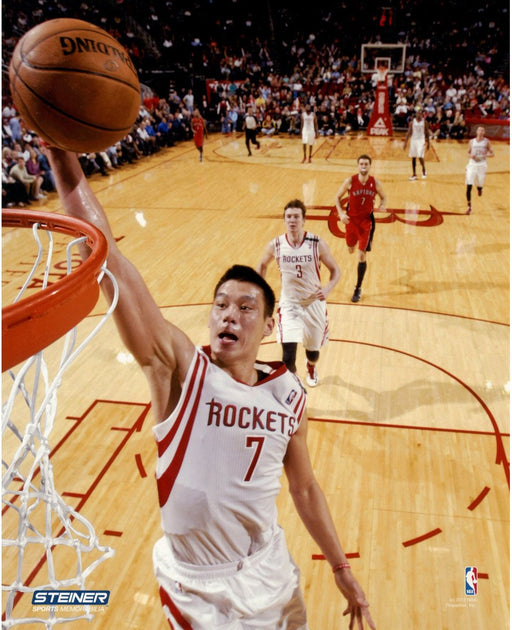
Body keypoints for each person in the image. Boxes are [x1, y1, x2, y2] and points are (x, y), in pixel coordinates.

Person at [47, 146, 376, 630]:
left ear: (268, 326)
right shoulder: (179, 371)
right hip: (198, 587)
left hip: (270, 571)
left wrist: (341, 567)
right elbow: (112, 262)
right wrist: (60, 155)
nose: (229, 313)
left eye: (245, 308)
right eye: (221, 304)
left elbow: (304, 488)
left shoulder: (289, 396)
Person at [257, 199, 341, 388]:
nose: (292, 220)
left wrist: (327, 288)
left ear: (304, 220)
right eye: (288, 217)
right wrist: (259, 289)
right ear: (284, 220)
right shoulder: (276, 245)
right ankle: (296, 392)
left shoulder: (317, 243)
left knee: (313, 353)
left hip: (314, 304)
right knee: (287, 359)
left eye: (296, 217)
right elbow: (262, 265)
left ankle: (311, 366)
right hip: (290, 305)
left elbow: (336, 271)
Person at [335, 154, 387, 303]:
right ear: (358, 166)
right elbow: (336, 198)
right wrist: (340, 213)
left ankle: (358, 288)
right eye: (361, 164)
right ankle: (353, 244)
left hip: (366, 222)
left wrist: (383, 204)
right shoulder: (350, 181)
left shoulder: (375, 183)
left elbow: (384, 196)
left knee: (361, 255)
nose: (364, 166)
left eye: (366, 164)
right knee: (351, 248)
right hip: (351, 221)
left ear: (370, 166)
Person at [465, 125, 494, 214]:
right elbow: (467, 152)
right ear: (476, 132)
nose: (481, 132)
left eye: (482, 130)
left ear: (484, 133)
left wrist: (485, 155)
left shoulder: (486, 142)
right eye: (479, 130)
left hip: (482, 165)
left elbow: (492, 153)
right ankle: (469, 206)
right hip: (472, 164)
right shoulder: (472, 141)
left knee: (480, 183)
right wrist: (471, 156)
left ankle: (479, 188)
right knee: (469, 185)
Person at [403, 108, 430, 180]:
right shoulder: (412, 122)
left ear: (422, 114)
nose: (418, 114)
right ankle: (414, 174)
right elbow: (409, 132)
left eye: (420, 113)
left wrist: (429, 143)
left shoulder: (425, 122)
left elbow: (427, 133)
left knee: (420, 156)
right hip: (413, 140)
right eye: (417, 113)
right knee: (413, 157)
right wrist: (405, 143)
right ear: (416, 114)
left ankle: (424, 170)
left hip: (421, 140)